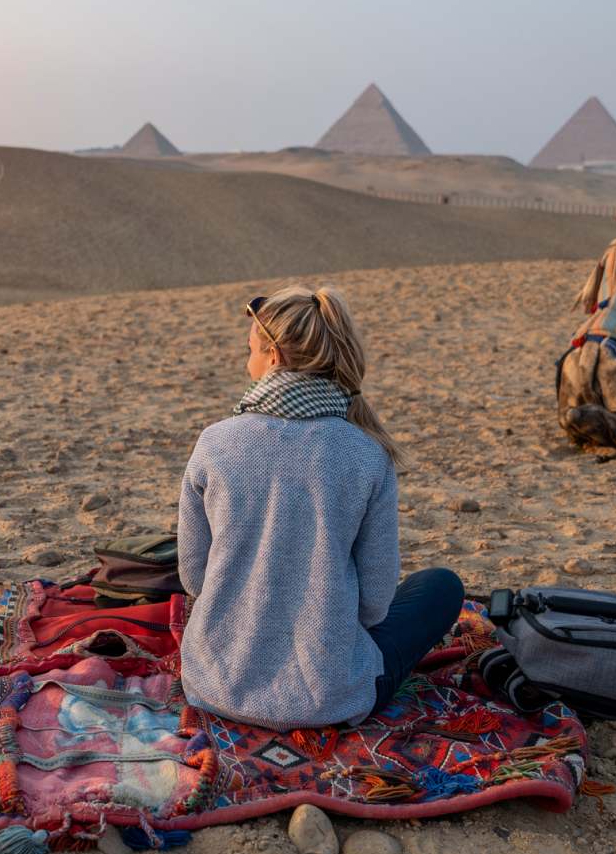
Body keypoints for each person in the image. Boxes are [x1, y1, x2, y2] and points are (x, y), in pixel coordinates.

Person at [176, 285, 465, 731]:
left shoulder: (214, 442)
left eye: (249, 350)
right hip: (327, 697)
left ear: (273, 356)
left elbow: (194, 578)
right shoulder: (367, 455)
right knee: (441, 587)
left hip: (215, 685)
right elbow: (374, 605)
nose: (246, 362)